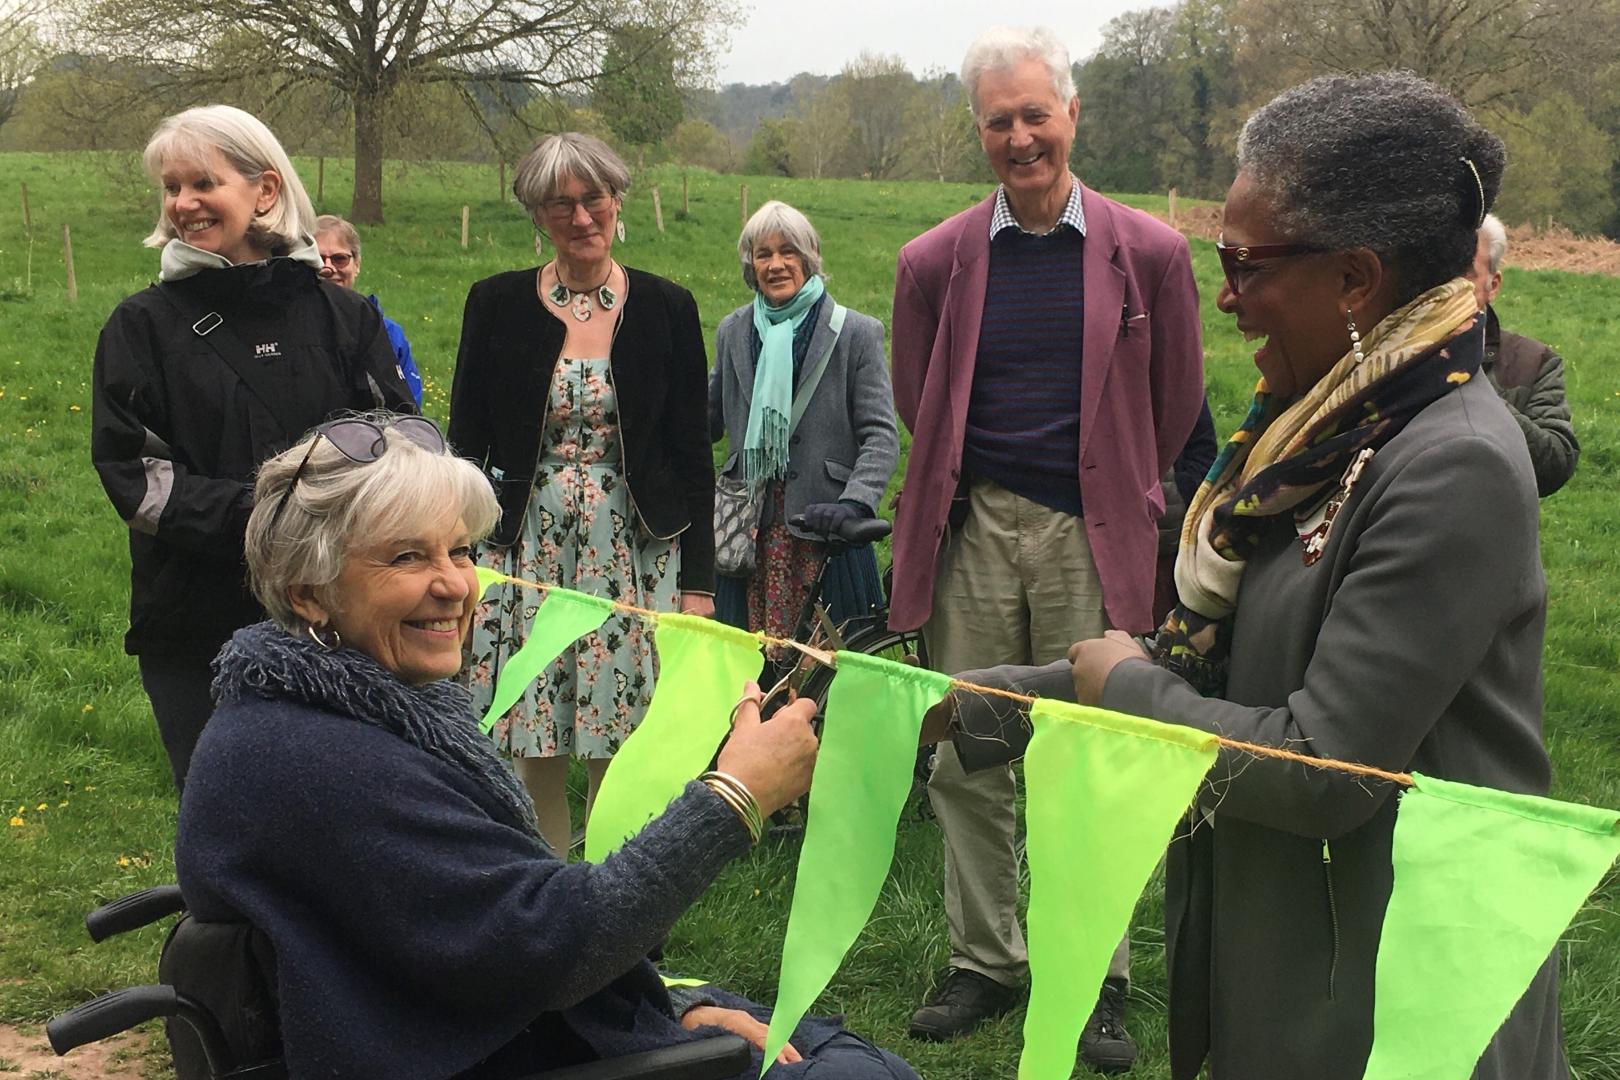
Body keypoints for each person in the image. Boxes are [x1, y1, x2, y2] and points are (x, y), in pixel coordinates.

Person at [940, 72, 1565, 1080]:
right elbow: (1231, 668)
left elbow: (1328, 767)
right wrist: (978, 705)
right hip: (1294, 942)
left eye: (1244, 265)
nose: (1224, 296)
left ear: (1356, 279)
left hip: (1397, 991)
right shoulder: (1317, 435)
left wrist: (1130, 690)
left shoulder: (1452, 461)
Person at [174, 415, 919, 1080]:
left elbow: (495, 931)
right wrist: (734, 796)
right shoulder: (315, 759)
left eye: (460, 551)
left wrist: (663, 1010)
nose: (455, 586)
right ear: (309, 591)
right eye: (405, 558)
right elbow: (553, 945)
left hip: (474, 1023)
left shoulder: (329, 710)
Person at [887, 25, 1205, 1069]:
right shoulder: (932, 263)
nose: (1020, 138)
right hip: (973, 529)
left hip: (1092, 535)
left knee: (1090, 759)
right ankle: (987, 959)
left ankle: (1096, 973)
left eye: (1036, 115)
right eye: (998, 120)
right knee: (966, 755)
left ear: (1072, 115)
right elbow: (916, 403)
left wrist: (1110, 493)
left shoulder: (1148, 253)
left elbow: (1173, 410)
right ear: (977, 130)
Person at [90, 104, 415, 793]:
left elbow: (401, 448)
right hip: (195, 627)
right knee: (229, 822)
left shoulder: (347, 317)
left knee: (346, 811)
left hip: (341, 617)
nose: (183, 204)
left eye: (202, 183)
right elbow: (136, 480)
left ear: (265, 190)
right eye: (172, 188)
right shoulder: (140, 328)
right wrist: (283, 524)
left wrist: (331, 535)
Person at [449, 133, 716, 855]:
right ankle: (542, 898)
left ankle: (616, 903)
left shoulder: (667, 307)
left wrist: (699, 584)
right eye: (559, 203)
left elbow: (695, 456)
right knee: (532, 730)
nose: (580, 216)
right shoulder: (496, 304)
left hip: (634, 550)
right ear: (537, 214)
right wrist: (457, 559)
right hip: (523, 543)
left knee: (620, 731)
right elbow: (464, 443)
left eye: (593, 198)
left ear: (617, 201)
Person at [709, 200, 899, 640]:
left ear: (809, 257)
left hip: (826, 529)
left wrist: (854, 502)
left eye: (788, 251)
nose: (776, 264)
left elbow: (881, 434)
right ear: (750, 264)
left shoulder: (855, 332)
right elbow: (708, 420)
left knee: (834, 672)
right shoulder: (732, 331)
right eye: (764, 254)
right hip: (748, 532)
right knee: (745, 667)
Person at [1464, 213, 1579, 496]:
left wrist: (1473, 388)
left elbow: (1554, 466)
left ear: (1493, 285)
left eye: (1466, 275)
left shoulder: (1534, 362)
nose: (1450, 288)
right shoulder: (1392, 351)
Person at [314, 213, 424, 407]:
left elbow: (410, 409)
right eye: (318, 259)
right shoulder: (292, 331)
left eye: (340, 259)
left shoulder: (388, 333)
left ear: (357, 265)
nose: (328, 267)